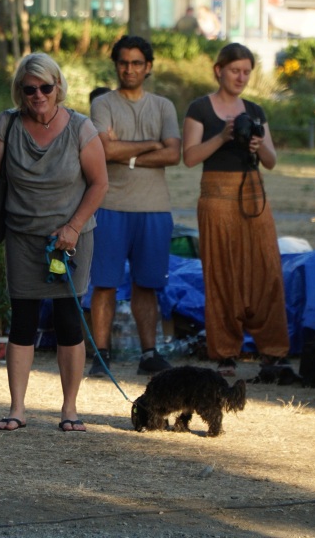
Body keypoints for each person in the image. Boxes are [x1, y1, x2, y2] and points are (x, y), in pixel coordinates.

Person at [0, 53, 108, 432]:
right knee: (22, 321)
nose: (38, 95)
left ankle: (69, 409)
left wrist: (72, 227)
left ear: (58, 87)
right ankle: (17, 408)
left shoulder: (81, 129)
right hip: (23, 236)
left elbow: (100, 184)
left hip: (69, 239)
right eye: (29, 89)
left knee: (69, 321)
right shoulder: (7, 124)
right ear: (19, 91)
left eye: (45, 87)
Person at [181, 43, 290, 376]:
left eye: (246, 71)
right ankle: (225, 352)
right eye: (234, 70)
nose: (241, 77)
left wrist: (257, 145)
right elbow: (189, 157)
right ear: (218, 70)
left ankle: (273, 351)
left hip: (254, 196)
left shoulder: (255, 111)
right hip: (215, 198)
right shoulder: (200, 108)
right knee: (221, 273)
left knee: (267, 270)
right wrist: (224, 136)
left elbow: (271, 161)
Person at [88, 35, 181, 378]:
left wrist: (126, 153)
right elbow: (104, 151)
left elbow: (174, 154)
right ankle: (101, 354)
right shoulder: (103, 104)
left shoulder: (163, 106)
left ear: (149, 67)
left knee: (148, 284)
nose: (130, 69)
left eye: (137, 63)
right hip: (110, 204)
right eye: (124, 62)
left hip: (154, 208)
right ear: (116, 65)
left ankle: (149, 353)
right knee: (105, 283)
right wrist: (150, 145)